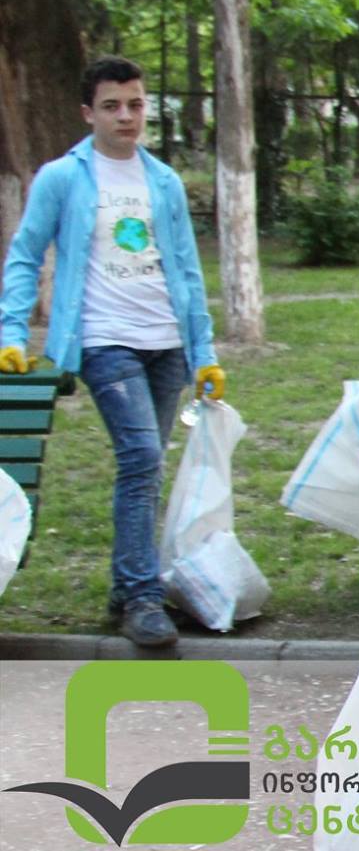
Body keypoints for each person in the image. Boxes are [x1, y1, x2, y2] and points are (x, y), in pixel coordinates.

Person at [0, 56, 227, 648]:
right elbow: (25, 255)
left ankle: (127, 588)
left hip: (167, 345)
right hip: (104, 341)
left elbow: (187, 270)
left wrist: (203, 351)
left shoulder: (164, 181)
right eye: (111, 106)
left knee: (145, 467)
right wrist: (10, 335)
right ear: (88, 112)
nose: (126, 116)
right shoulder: (63, 177)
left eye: (135, 104)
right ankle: (142, 595)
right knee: (142, 457)